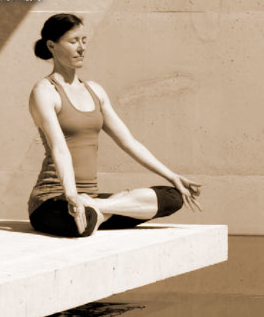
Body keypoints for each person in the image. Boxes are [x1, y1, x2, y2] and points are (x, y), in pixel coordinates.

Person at [27, 13, 202, 237]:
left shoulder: (95, 91)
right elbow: (59, 148)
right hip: (52, 201)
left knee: (172, 198)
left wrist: (172, 176)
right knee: (79, 224)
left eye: (84, 40)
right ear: (52, 46)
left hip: (91, 199)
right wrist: (71, 195)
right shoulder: (44, 91)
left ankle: (98, 210)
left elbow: (128, 142)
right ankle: (92, 211)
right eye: (73, 42)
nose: (81, 48)